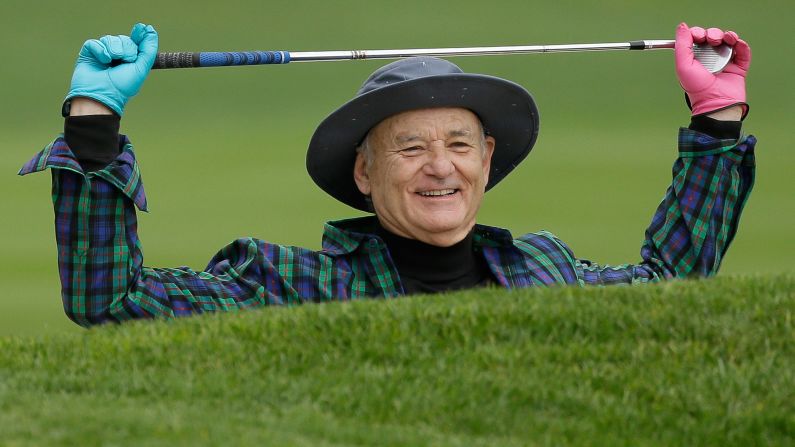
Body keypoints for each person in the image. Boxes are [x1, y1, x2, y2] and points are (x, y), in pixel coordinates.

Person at [20, 23, 755, 328]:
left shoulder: (546, 268)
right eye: (409, 149)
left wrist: (715, 121)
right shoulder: (282, 283)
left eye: (460, 144)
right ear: (364, 175)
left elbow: (670, 287)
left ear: (487, 161)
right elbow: (109, 300)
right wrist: (91, 125)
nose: (441, 166)